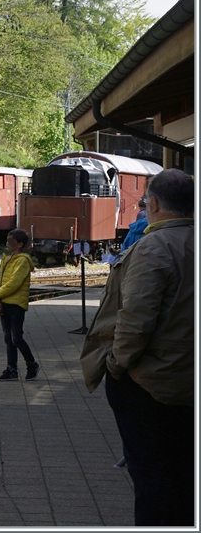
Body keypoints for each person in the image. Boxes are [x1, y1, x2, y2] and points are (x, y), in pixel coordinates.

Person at [80, 168, 194, 526]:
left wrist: (116, 364)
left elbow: (136, 320)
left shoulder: (153, 248)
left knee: (153, 481)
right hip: (188, 381)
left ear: (155, 204)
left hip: (150, 385)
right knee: (186, 478)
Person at [0, 229, 39, 381]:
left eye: (11, 241)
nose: (7, 242)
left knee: (16, 338)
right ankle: (11, 369)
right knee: (8, 338)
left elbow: (15, 282)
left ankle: (31, 364)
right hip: (5, 303)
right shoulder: (8, 259)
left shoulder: (22, 261)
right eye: (7, 239)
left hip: (16, 305)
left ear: (20, 244)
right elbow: (6, 280)